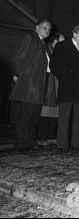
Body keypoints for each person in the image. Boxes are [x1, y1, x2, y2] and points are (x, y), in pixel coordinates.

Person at [50, 25, 79, 152]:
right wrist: (64, 77)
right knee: (64, 117)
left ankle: (76, 144)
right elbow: (54, 64)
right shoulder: (62, 46)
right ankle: (62, 145)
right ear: (74, 34)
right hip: (67, 87)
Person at [10, 20, 52, 152]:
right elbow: (19, 56)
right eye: (44, 27)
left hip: (39, 85)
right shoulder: (30, 37)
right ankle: (21, 143)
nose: (46, 30)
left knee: (34, 115)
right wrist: (16, 74)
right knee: (25, 115)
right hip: (29, 83)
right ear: (36, 28)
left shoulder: (44, 43)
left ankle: (30, 141)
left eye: (48, 29)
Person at [37, 33, 65, 145]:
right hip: (48, 84)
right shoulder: (46, 51)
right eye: (61, 41)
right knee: (45, 110)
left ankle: (50, 134)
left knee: (56, 111)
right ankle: (41, 136)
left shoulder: (62, 54)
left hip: (58, 84)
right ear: (53, 42)